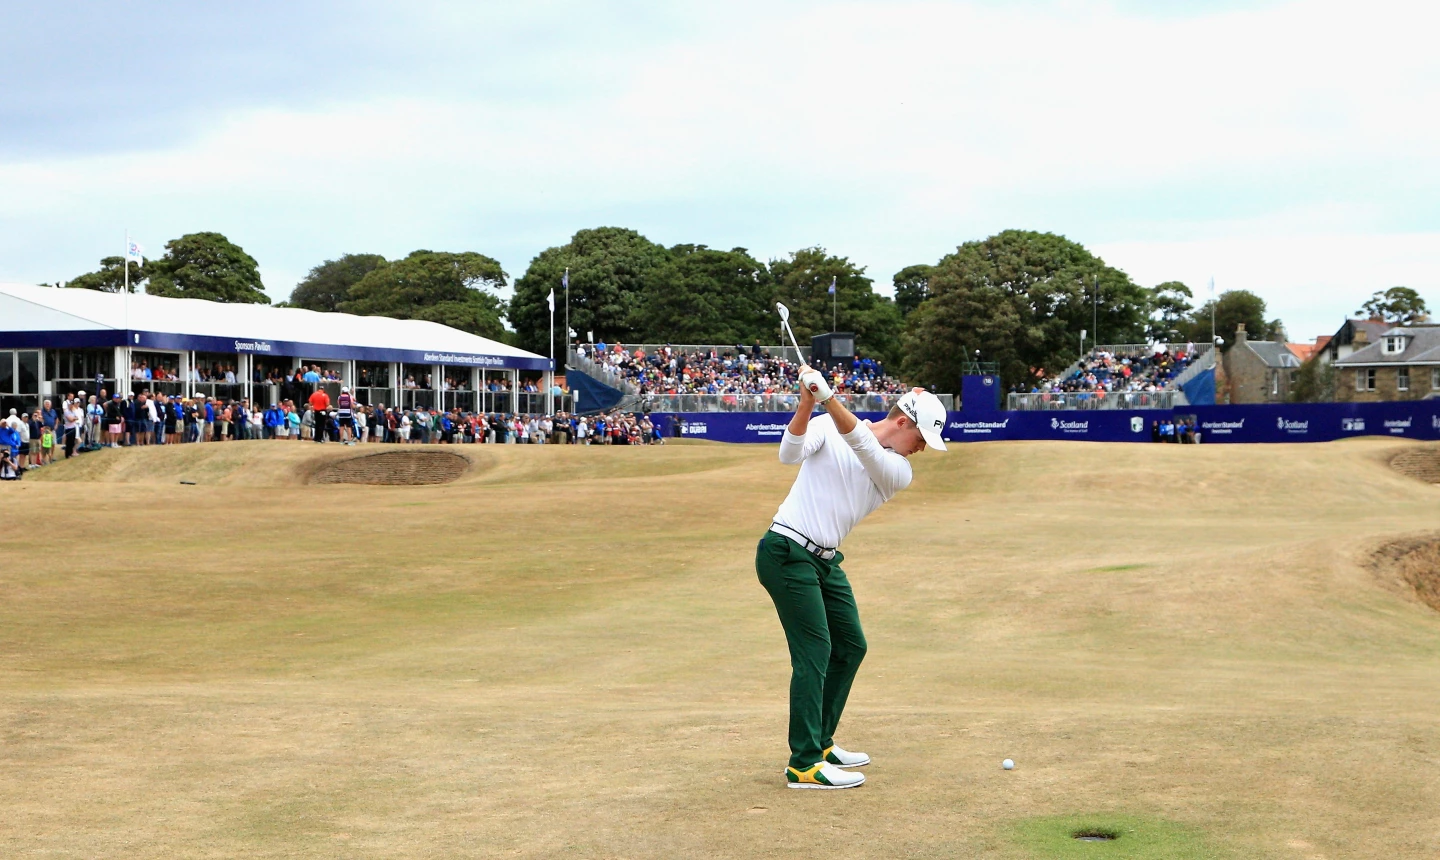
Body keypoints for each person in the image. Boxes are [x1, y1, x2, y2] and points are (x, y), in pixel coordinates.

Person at [757, 366, 947, 790]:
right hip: (786, 551)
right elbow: (789, 454)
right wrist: (809, 402)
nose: (921, 449)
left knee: (851, 645)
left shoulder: (897, 471)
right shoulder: (827, 425)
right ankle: (804, 763)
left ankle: (821, 743)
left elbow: (862, 443)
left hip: (824, 560)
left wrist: (828, 398)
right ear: (903, 422)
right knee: (816, 651)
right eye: (920, 439)